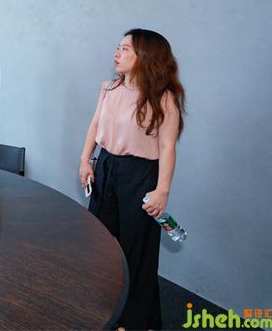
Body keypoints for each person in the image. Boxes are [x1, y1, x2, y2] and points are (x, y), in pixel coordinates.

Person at [78, 28, 186, 330]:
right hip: (106, 167)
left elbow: (167, 148)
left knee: (136, 252)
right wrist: (85, 160)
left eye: (125, 49)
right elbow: (95, 124)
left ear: (146, 56)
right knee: (101, 242)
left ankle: (136, 321)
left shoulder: (164, 98)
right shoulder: (109, 88)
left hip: (141, 175)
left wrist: (162, 190)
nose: (117, 53)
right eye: (118, 47)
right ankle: (106, 309)